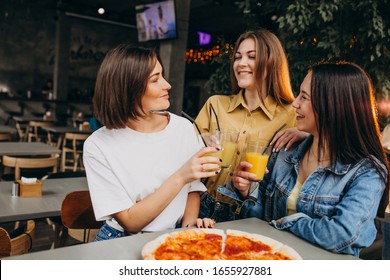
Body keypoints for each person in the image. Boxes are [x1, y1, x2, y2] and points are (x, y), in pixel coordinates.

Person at [229, 61, 389, 256]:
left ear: (332, 106)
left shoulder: (367, 172)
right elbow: (259, 217)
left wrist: (287, 222)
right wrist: (246, 192)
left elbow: (342, 234)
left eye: (303, 97)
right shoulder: (285, 150)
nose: (295, 103)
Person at [83, 44, 220, 241]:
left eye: (162, 75)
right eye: (155, 79)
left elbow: (193, 190)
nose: (167, 85)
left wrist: (188, 229)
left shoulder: (182, 128)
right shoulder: (98, 146)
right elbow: (130, 222)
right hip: (121, 238)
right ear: (128, 89)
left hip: (174, 235)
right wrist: (181, 175)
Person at [194, 29, 306, 222]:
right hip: (201, 206)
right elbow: (183, 156)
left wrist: (306, 134)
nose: (241, 63)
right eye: (238, 57)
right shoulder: (215, 105)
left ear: (272, 63)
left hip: (248, 214)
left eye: (251, 57)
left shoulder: (291, 115)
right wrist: (200, 141)